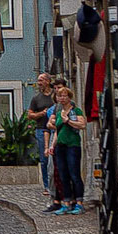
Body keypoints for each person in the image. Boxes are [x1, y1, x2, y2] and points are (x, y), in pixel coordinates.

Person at [51, 80, 87, 214]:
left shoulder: (75, 110)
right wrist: (52, 146)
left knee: (74, 174)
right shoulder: (59, 112)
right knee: (63, 175)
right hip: (60, 146)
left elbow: (82, 125)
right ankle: (66, 202)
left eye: (64, 96)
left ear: (69, 97)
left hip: (73, 145)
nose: (62, 98)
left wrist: (69, 121)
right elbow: (56, 130)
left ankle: (79, 202)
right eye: (60, 96)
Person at [27, 72, 58, 209]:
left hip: (55, 129)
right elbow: (30, 115)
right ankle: (47, 185)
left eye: (41, 80)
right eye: (38, 81)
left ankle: (56, 184)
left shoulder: (54, 96)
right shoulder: (36, 99)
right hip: (41, 129)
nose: (39, 83)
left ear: (47, 81)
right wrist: (41, 114)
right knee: (44, 159)